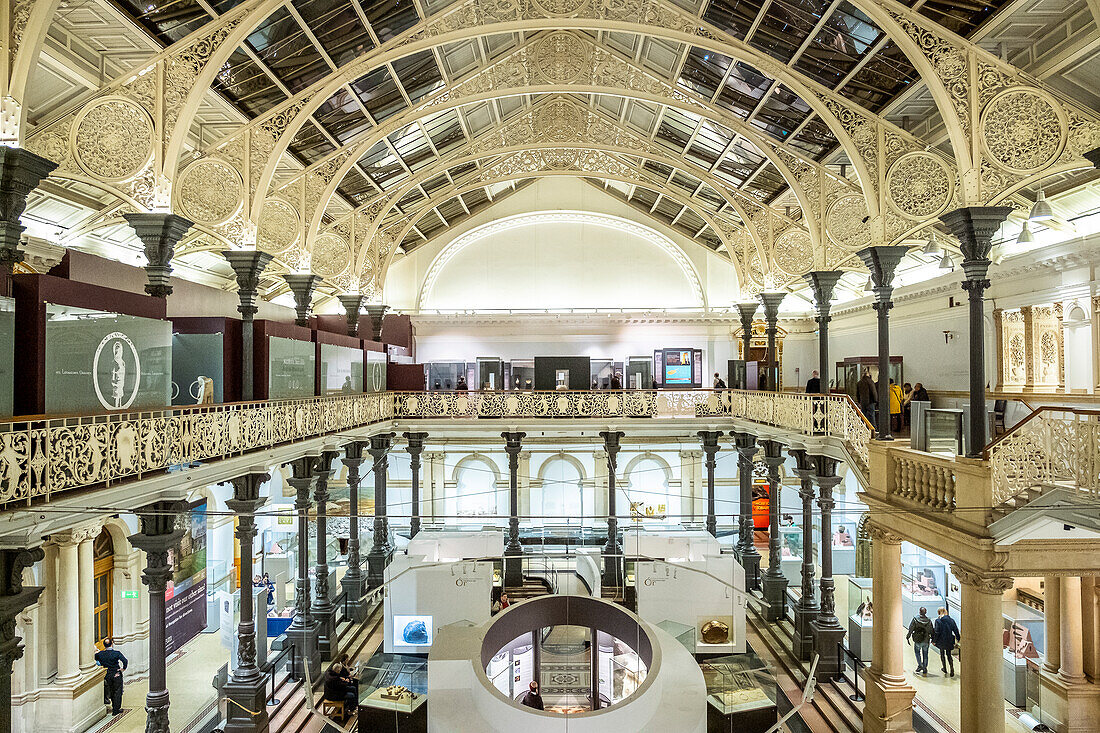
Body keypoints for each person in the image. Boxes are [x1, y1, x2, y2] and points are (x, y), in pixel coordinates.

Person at [95, 638, 128, 716]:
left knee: (111, 691)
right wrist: (123, 668)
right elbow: (125, 661)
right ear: (112, 643)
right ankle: (116, 709)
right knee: (117, 691)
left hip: (107, 674)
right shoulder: (116, 653)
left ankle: (114, 707)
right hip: (116, 674)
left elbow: (94, 658)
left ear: (104, 645)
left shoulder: (100, 654)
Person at [932, 607, 960, 677]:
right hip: (949, 639)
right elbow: (955, 630)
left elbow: (937, 632)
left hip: (941, 640)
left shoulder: (938, 621)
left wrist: (934, 641)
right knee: (949, 655)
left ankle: (944, 668)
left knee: (942, 654)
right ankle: (952, 669)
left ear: (939, 612)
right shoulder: (951, 620)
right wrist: (958, 638)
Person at [906, 606, 934, 675]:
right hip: (926, 639)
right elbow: (931, 630)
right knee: (925, 654)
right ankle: (924, 667)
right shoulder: (929, 621)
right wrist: (933, 638)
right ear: (925, 612)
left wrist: (908, 636)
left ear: (920, 612)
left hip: (918, 639)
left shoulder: (915, 619)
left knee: (917, 653)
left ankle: (920, 665)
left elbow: (911, 628)